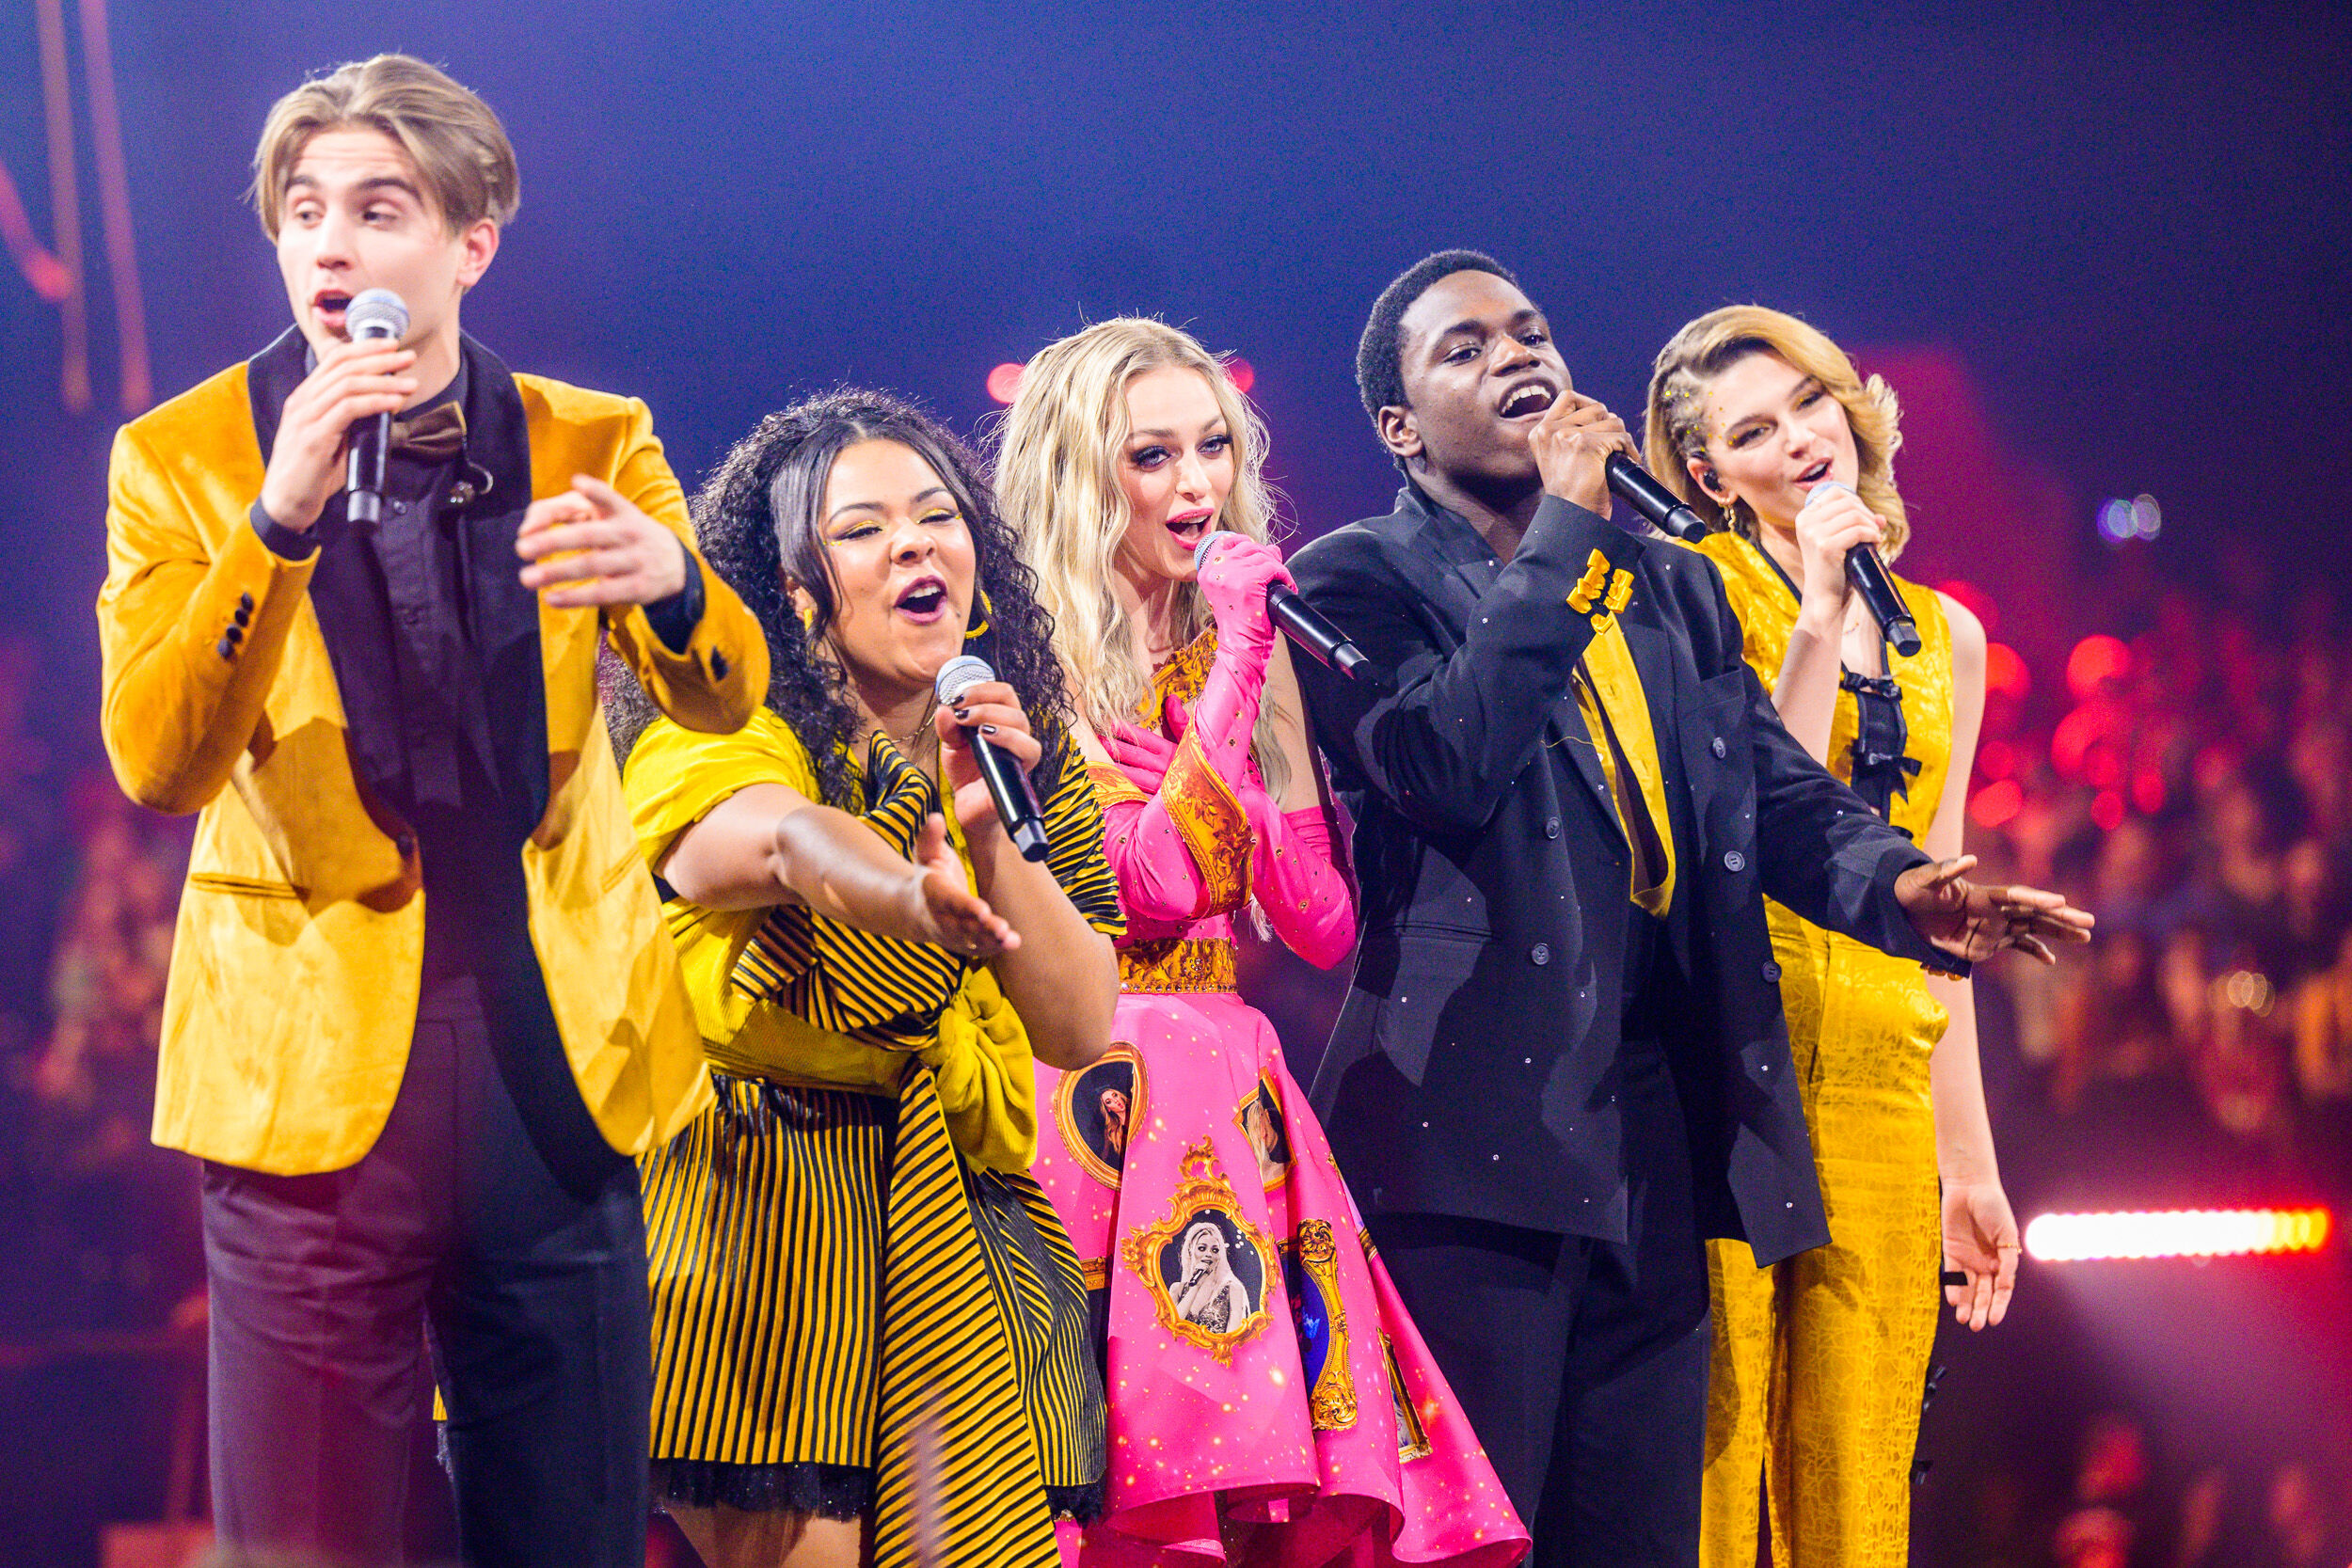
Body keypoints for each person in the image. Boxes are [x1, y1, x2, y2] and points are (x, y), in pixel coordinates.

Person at [1285, 250, 2091, 1565]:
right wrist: (1567, 527)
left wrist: (1906, 887)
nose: (1515, 354)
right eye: (1465, 349)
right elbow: (1445, 759)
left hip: (1654, 1143)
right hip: (1469, 1157)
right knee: (1484, 1543)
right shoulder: (1351, 578)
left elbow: (1769, 791)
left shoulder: (1664, 583)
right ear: (1399, 426)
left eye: (1530, 330)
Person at [91, 55, 767, 1567]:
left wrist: (674, 583)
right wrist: (277, 519)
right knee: (313, 1542)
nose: (330, 246)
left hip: (552, 1065)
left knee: (571, 1534)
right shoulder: (183, 460)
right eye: (303, 211)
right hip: (308, 1083)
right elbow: (159, 761)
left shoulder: (589, 437)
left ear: (471, 243)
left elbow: (723, 694)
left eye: (377, 210)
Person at [997, 317, 1527, 1566]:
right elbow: (1146, 888)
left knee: (1249, 1496)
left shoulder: (1251, 641)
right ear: (1080, 472)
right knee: (1101, 1495)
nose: (1196, 483)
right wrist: (1234, 674)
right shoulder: (1023, 655)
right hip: (1089, 1081)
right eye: (1152, 456)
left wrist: (1223, 768)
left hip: (1231, 1084)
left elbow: (1322, 921)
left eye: (1214, 447)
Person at [612, 390, 1121, 1568]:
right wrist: (906, 894)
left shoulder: (1019, 752)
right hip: (754, 1217)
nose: (912, 544)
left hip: (949, 1217)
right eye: (862, 528)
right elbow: (777, 840)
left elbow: (1079, 1019)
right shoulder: (722, 722)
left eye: (937, 517)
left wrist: (989, 832)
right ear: (793, 587)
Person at [1645, 304, 2018, 1568]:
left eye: (1809, 401)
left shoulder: (1945, 635)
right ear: (1710, 475)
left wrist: (1969, 1162)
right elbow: (1755, 819)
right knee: (1713, 1476)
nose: (1800, 438)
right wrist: (1812, 610)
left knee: (1857, 1493)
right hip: (1733, 1076)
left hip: (1877, 1089)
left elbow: (1940, 912)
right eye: (1754, 430)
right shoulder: (1696, 596)